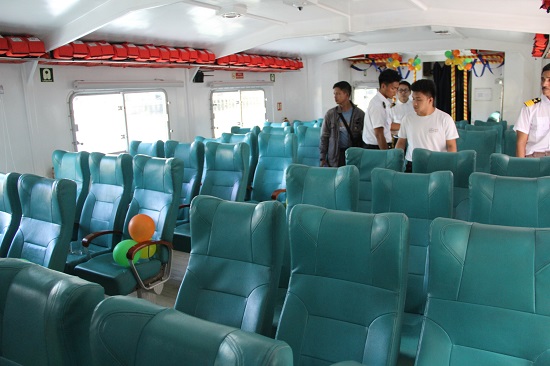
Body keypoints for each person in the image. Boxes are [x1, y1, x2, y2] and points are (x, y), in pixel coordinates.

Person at [395, 79, 459, 172]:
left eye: (419, 99)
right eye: (413, 99)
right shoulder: (408, 118)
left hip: (437, 164)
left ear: (430, 100)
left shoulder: (445, 119)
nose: (415, 103)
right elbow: (401, 142)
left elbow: (451, 146)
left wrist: (449, 166)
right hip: (412, 164)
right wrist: (396, 162)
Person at [320, 81, 365, 167]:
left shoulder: (359, 114)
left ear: (347, 95)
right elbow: (324, 137)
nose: (335, 97)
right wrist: (322, 157)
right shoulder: (330, 114)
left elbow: (365, 136)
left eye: (338, 94)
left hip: (353, 154)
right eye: (334, 94)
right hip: (335, 155)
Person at [514, 63, 550, 157]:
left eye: (549, 80)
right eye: (543, 79)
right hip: (535, 158)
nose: (544, 84)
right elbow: (520, 143)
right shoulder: (530, 107)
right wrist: (521, 167)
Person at [362, 69, 401, 149]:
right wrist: (386, 155)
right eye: (393, 88)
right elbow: (379, 134)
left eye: (397, 89)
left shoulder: (384, 102)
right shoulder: (377, 104)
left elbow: (387, 125)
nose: (395, 92)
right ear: (383, 86)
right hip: (376, 148)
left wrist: (406, 125)